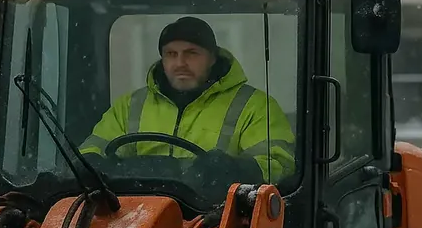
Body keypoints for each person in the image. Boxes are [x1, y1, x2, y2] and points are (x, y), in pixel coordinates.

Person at [80, 16, 295, 190]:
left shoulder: (253, 106)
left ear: (212, 57)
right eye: (171, 54)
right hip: (134, 218)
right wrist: (91, 166)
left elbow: (280, 164)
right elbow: (92, 150)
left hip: (219, 221)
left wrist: (233, 170)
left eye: (192, 53)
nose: (180, 63)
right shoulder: (130, 105)